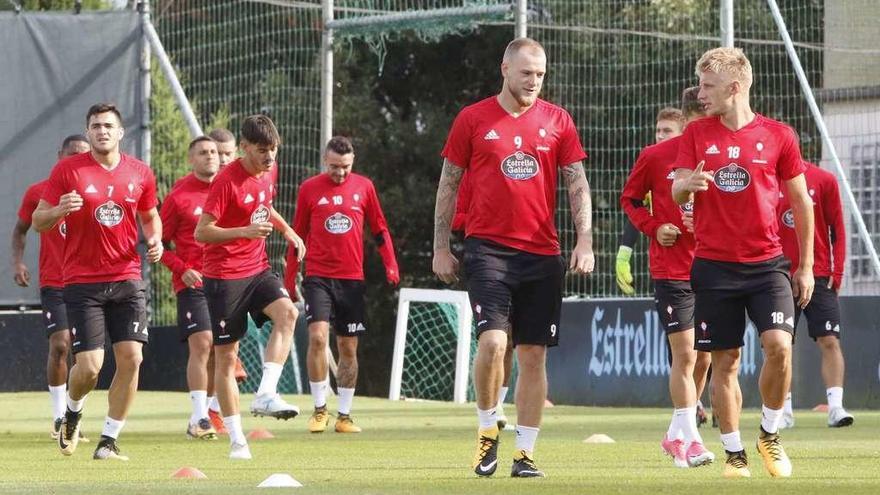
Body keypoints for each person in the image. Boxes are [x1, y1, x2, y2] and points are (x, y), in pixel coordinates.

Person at [433, 37, 594, 478]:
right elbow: (448, 184)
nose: (534, 81)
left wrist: (585, 240)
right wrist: (441, 247)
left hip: (543, 254)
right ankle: (487, 435)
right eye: (527, 73)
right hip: (487, 250)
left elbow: (577, 183)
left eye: (540, 75)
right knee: (493, 342)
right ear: (505, 69)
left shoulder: (559, 121)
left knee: (533, 356)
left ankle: (525, 455)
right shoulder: (472, 119)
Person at [672, 47, 815, 479]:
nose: (700, 94)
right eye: (700, 85)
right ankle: (735, 454)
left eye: (708, 86)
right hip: (714, 267)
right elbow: (677, 189)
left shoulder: (779, 136)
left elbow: (801, 203)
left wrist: (805, 266)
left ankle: (769, 434)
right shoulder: (696, 134)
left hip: (768, 266)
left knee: (780, 347)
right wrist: (686, 186)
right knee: (726, 360)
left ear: (735, 88)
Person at [33, 103, 163, 461]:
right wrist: (59, 209)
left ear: (121, 132)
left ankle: (109, 440)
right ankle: (72, 413)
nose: (102, 131)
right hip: (82, 283)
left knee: (132, 358)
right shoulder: (67, 171)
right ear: (87, 132)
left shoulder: (140, 172)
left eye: (108, 126)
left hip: (127, 278)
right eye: (95, 126)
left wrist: (156, 239)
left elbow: (151, 216)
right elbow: (38, 219)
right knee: (89, 366)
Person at [194, 114, 306, 460]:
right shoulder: (226, 181)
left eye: (273, 150)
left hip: (257, 269)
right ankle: (237, 439)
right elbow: (202, 232)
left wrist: (288, 232)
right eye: (262, 150)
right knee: (226, 358)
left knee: (288, 313)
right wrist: (242, 232)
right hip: (224, 277)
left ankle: (266, 393)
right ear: (243, 148)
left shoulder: (268, 172)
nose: (269, 157)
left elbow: (265, 206)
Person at [621, 87, 712, 468]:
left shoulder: (720, 155)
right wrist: (655, 227)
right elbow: (629, 199)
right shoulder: (656, 157)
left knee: (705, 358)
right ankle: (690, 442)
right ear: (690, 120)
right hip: (672, 269)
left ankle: (677, 433)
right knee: (686, 354)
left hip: (713, 265)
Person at [284, 135, 399, 434]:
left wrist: (390, 263)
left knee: (348, 347)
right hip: (318, 277)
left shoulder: (364, 187)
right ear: (325, 161)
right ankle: (320, 409)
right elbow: (296, 234)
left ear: (353, 163)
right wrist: (289, 277)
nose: (340, 172)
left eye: (346, 167)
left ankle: (344, 415)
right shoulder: (309, 189)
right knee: (318, 338)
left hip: (352, 279)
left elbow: (380, 227)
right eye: (335, 166)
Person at [11, 134, 90, 441]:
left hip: (88, 283)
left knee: (86, 357)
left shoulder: (97, 191)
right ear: (60, 155)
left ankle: (74, 413)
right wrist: (17, 262)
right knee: (60, 345)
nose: (77, 160)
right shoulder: (39, 192)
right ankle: (59, 416)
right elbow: (20, 230)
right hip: (55, 281)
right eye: (71, 155)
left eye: (83, 155)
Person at [776, 160, 854, 429]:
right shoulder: (765, 178)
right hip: (777, 275)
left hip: (818, 274)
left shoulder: (823, 179)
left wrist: (838, 269)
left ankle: (835, 407)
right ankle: (782, 411)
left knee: (830, 339)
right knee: (781, 345)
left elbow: (838, 229)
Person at [159, 136, 221, 440]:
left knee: (220, 352)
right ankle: (199, 418)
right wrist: (181, 269)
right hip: (193, 282)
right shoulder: (178, 196)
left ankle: (204, 414)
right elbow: (157, 243)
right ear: (191, 159)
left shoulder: (228, 190)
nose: (210, 156)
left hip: (226, 280)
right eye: (203, 152)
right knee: (203, 342)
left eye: (213, 152)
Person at [452, 171, 514, 430]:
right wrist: (489, 216)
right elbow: (456, 218)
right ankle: (489, 413)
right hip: (487, 258)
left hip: (527, 257)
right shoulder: (473, 174)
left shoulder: (523, 171)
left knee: (510, 341)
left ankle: (498, 403)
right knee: (493, 339)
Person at [204, 127, 247, 434]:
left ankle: (213, 410)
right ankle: (201, 412)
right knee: (204, 346)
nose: (221, 159)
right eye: (216, 153)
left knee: (222, 353)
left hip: (237, 274)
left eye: (227, 154)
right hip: (201, 278)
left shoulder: (243, 181)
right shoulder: (188, 189)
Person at [615, 107, 685, 296]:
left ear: (683, 133)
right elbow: (636, 205)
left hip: (706, 263)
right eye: (658, 131)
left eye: (667, 131)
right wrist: (624, 254)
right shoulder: (653, 161)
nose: (660, 136)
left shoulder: (702, 157)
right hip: (667, 263)